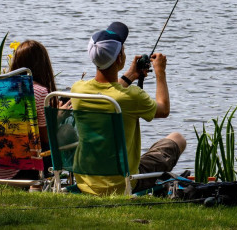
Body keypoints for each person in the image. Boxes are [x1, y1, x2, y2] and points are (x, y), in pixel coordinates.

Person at [70, 21, 186, 195]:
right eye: (123, 49)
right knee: (177, 138)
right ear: (119, 58)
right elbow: (163, 109)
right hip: (122, 183)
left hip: (86, 181)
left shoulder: (78, 90)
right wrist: (160, 71)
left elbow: (110, 93)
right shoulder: (131, 96)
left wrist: (131, 75)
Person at [0, 39, 57, 181]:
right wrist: (57, 117)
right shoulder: (39, 92)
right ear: (43, 65)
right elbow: (47, 137)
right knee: (55, 139)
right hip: (20, 170)